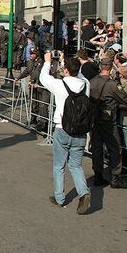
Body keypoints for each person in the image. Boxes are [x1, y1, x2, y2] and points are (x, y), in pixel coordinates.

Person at [39, 53, 91, 213]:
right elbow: (79, 74)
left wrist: (48, 62)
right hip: (81, 130)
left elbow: (43, 78)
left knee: (59, 165)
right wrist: (66, 61)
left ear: (66, 70)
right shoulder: (85, 85)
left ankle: (59, 197)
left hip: (62, 127)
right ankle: (83, 192)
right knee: (76, 165)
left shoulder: (60, 85)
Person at [89, 58, 127, 188]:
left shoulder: (92, 81)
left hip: (94, 117)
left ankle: (98, 175)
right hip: (108, 118)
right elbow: (125, 98)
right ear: (111, 68)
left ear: (100, 67)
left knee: (97, 146)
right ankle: (115, 177)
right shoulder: (112, 84)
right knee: (114, 147)